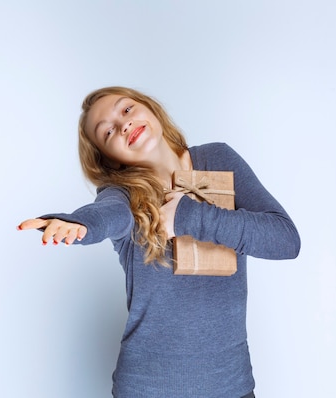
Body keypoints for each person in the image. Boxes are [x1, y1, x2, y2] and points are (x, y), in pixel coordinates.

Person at [17, 86, 300, 398]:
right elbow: (106, 215)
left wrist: (190, 217)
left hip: (232, 387)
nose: (123, 124)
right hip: (146, 390)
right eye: (108, 132)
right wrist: (78, 224)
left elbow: (285, 239)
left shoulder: (219, 160)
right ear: (110, 159)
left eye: (126, 110)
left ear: (150, 108)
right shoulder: (122, 196)